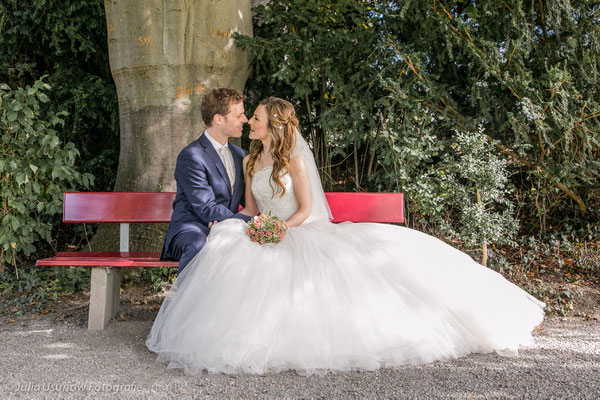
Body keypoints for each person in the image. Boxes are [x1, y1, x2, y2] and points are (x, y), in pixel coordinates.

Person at [147, 97, 545, 376]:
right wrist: (251, 226)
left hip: (299, 231)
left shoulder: (295, 161)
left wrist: (278, 228)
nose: (249, 122)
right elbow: (250, 210)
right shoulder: (249, 159)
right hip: (265, 231)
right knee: (229, 249)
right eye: (247, 116)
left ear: (274, 125)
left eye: (254, 117)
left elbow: (304, 211)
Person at [160, 88, 253, 274]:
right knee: (200, 245)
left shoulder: (239, 155)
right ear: (219, 119)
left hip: (226, 228)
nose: (245, 120)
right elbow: (206, 208)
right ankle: (186, 300)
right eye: (239, 115)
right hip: (192, 229)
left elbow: (248, 200)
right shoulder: (192, 156)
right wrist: (243, 223)